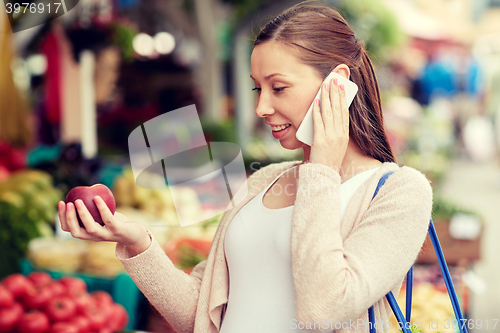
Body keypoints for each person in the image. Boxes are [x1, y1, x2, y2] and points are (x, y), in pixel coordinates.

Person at [58, 2, 433, 332]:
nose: (262, 108)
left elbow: (324, 308)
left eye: (279, 87)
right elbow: (199, 317)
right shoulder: (264, 182)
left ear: (337, 86)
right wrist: (137, 242)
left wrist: (322, 168)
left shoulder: (400, 192)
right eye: (258, 88)